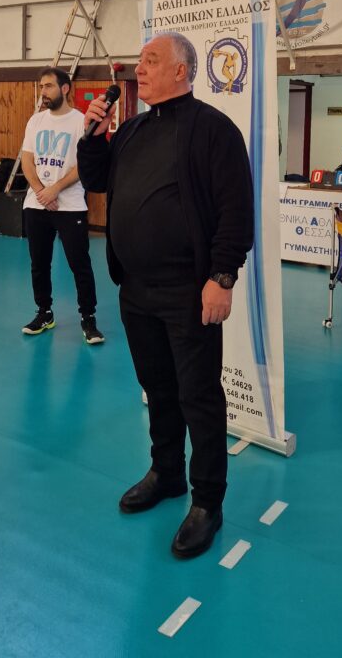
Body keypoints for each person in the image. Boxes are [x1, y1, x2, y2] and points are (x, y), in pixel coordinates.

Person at [77, 33, 254, 560]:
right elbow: (96, 179)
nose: (140, 69)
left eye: (151, 61)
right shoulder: (132, 129)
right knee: (157, 387)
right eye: (140, 61)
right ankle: (167, 472)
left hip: (189, 292)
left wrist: (222, 277)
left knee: (198, 396)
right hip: (136, 289)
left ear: (181, 70)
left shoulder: (214, 130)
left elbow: (235, 209)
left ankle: (208, 502)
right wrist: (93, 136)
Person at [21, 66, 103, 345]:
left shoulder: (81, 121)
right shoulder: (35, 121)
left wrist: (55, 189)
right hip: (36, 204)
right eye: (41, 86)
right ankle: (44, 313)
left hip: (70, 205)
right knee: (39, 263)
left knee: (80, 264)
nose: (43, 91)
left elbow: (84, 165)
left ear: (65, 88)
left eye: (48, 86)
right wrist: (40, 191)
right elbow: (27, 160)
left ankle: (88, 318)